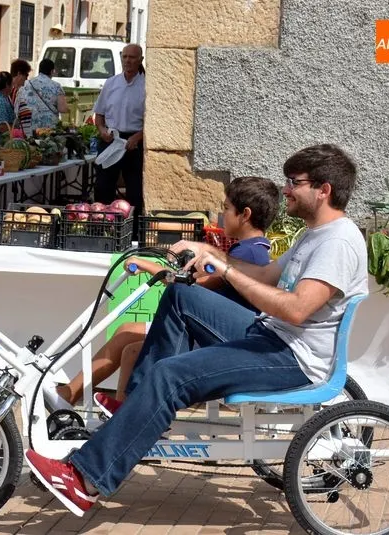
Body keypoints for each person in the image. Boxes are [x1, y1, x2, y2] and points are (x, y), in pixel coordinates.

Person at [25, 144, 369, 516]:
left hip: (293, 358)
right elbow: (267, 275)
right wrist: (208, 252)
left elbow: (297, 309)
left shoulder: (337, 243)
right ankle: (139, 408)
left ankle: (86, 480)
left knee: (169, 375)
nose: (286, 189)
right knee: (180, 297)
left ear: (324, 189)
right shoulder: (315, 233)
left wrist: (225, 270)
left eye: (294, 182)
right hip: (272, 336)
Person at [43, 176, 280, 412]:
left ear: (245, 214)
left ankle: (77, 397)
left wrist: (146, 265)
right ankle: (121, 408)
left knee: (127, 336)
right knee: (129, 344)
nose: (222, 214)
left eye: (226, 208)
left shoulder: (247, 256)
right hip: (209, 331)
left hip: (215, 337)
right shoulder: (251, 251)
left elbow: (189, 286)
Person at [92, 44, 146, 216]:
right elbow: (99, 114)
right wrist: (101, 130)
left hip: (134, 143)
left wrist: (137, 137)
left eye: (132, 57)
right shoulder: (111, 83)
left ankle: (133, 233)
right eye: (125, 57)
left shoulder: (146, 86)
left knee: (135, 191)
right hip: (111, 139)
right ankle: (102, 227)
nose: (128, 61)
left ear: (140, 60)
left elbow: (152, 122)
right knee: (102, 187)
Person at [15, 58, 68, 138]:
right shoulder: (56, 86)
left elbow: (18, 106)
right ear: (51, 71)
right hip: (49, 129)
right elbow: (62, 109)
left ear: (40, 70)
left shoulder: (26, 84)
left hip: (29, 128)